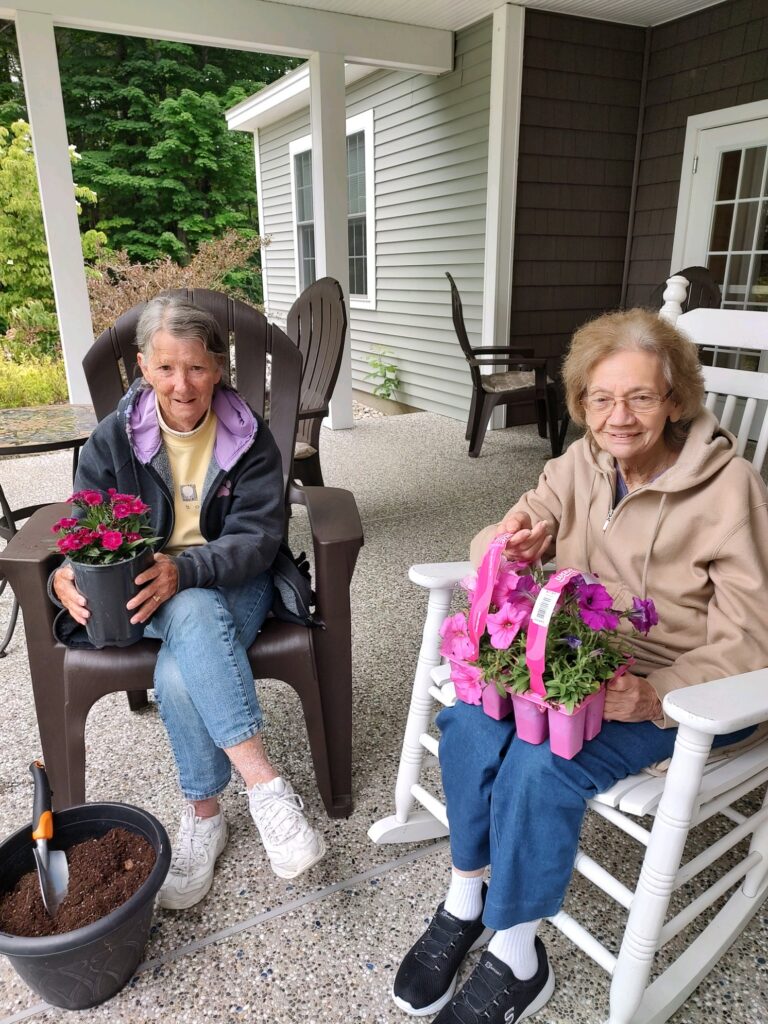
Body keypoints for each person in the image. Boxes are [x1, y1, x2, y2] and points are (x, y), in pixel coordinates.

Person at [392, 308, 768, 1023]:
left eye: (640, 397)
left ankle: (517, 955)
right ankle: (465, 899)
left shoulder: (731, 491)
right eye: (600, 398)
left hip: (687, 691)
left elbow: (754, 640)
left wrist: (657, 694)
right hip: (577, 663)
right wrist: (510, 543)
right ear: (582, 405)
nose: (617, 416)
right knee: (469, 724)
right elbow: (497, 538)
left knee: (541, 765)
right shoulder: (577, 465)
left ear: (675, 401)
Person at [51, 296, 325, 910]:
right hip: (140, 594)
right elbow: (85, 528)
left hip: (234, 584)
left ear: (219, 368)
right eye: (167, 368)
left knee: (192, 622)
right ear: (143, 367)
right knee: (184, 626)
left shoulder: (248, 440)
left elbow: (258, 538)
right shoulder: (110, 443)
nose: (183, 384)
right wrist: (65, 575)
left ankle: (206, 815)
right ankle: (266, 790)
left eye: (197, 368)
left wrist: (187, 569)